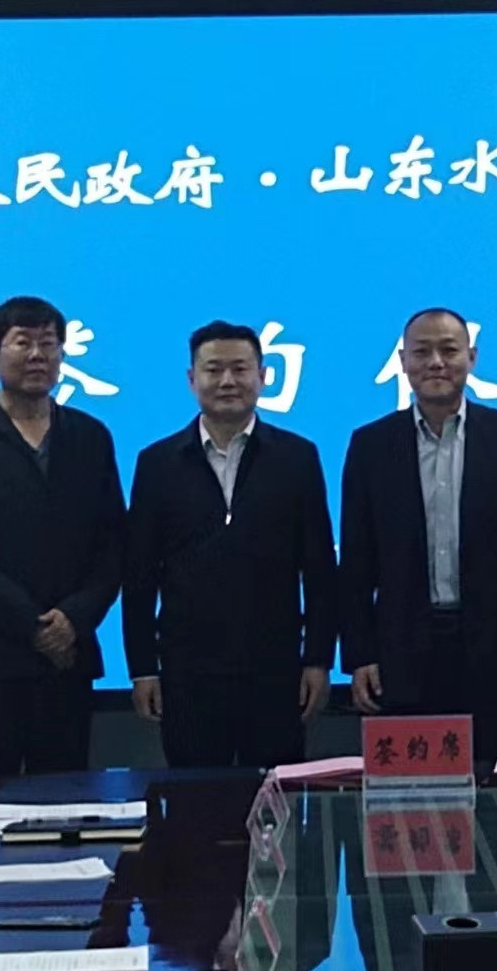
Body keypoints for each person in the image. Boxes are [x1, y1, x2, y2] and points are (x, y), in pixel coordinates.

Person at [0, 296, 125, 809]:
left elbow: (113, 545)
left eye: (48, 343)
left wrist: (73, 619)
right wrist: (35, 626)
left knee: (65, 809)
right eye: (23, 342)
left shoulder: (90, 436)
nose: (37, 355)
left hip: (67, 663)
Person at [339, 307, 497, 764]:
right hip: (401, 651)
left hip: (495, 651)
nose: (436, 362)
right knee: (408, 787)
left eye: (449, 350)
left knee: (494, 780)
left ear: (471, 358)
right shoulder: (370, 444)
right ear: (402, 361)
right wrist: (359, 655)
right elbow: (356, 562)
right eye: (422, 352)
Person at [123, 320, 338, 768]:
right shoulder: (157, 463)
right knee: (196, 798)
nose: (227, 381)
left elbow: (319, 569)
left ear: (263, 376)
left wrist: (318, 659)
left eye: (240, 369)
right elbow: (139, 576)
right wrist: (142, 668)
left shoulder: (297, 457)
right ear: (191, 379)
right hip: (187, 674)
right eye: (213, 369)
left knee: (275, 796)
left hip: (275, 670)